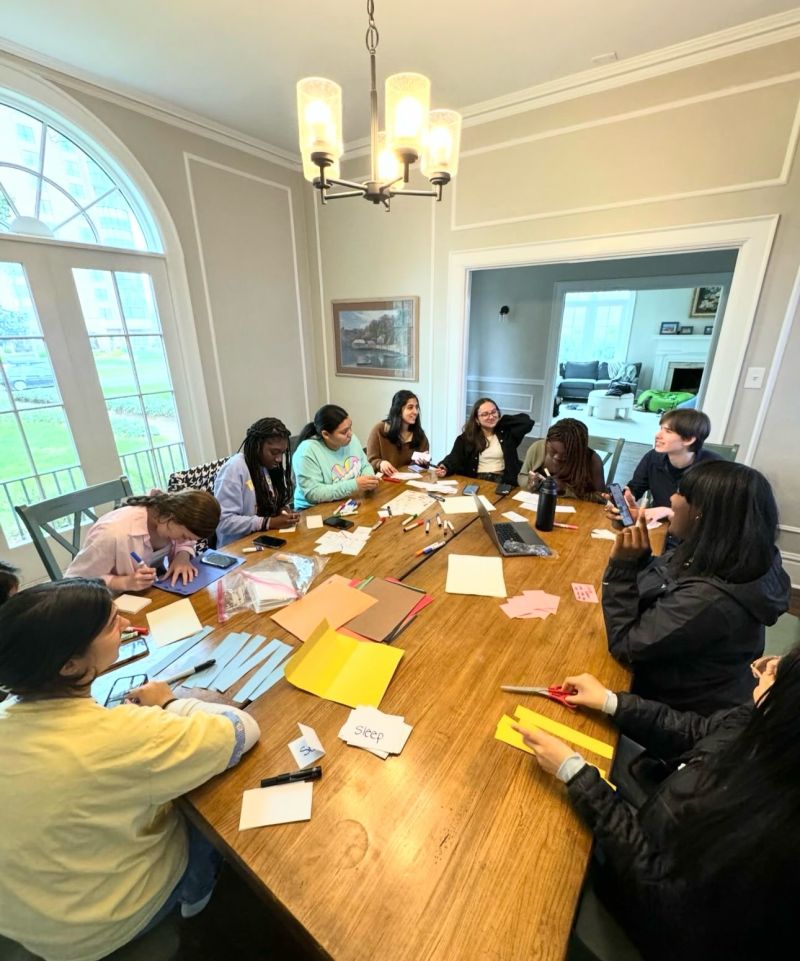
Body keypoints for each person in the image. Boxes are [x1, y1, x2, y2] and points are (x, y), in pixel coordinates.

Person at [0, 579, 260, 961]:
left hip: (30, 920)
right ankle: (195, 898)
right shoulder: (123, 736)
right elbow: (242, 729)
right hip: (103, 926)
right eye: (111, 624)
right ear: (70, 665)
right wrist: (168, 702)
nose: (125, 623)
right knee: (206, 806)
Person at [511, 648, 797, 961]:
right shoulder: (764, 720)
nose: (768, 667)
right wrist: (611, 702)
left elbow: (661, 896)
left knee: (531, 879)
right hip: (656, 823)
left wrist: (575, 774)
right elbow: (697, 731)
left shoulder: (768, 829)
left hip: (648, 917)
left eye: (778, 673)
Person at [602, 460, 790, 714]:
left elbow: (626, 645)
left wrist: (622, 570)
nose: (671, 498)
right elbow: (668, 583)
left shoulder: (708, 601)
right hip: (692, 683)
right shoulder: (728, 557)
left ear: (701, 513)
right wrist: (640, 559)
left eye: (681, 493)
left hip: (676, 709)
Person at [64, 490, 220, 590]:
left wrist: (182, 556)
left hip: (152, 591)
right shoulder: (112, 534)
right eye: (184, 536)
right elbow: (75, 583)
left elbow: (186, 542)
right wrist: (124, 582)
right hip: (113, 605)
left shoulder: (167, 512)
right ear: (172, 517)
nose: (185, 540)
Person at [609, 409, 719, 523]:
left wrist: (669, 512)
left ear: (688, 439)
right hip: (657, 525)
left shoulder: (714, 469)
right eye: (661, 429)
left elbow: (714, 517)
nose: (657, 435)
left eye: (668, 431)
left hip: (691, 531)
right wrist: (627, 499)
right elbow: (636, 487)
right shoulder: (653, 457)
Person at [214, 417, 299, 547]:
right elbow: (223, 522)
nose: (279, 459)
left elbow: (268, 502)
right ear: (257, 446)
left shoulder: (268, 466)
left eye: (282, 453)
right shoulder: (234, 469)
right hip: (236, 547)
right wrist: (268, 522)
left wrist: (281, 510)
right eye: (274, 452)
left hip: (264, 539)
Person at [293, 404, 379, 510]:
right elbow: (313, 493)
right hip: (313, 509)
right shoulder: (307, 452)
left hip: (347, 501)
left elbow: (364, 465)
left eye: (350, 427)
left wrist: (368, 478)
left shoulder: (351, 440)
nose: (350, 434)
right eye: (344, 432)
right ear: (326, 434)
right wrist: (355, 485)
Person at [436, 397, 533, 486]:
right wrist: (445, 467)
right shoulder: (466, 438)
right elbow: (454, 457)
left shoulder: (508, 433)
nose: (490, 417)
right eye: (485, 414)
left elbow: (527, 422)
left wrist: (501, 420)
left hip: (504, 480)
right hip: (477, 479)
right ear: (477, 419)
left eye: (493, 412)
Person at [519, 418, 605, 501]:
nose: (557, 457)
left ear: (578, 452)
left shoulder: (593, 461)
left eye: (566, 454)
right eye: (553, 450)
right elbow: (522, 477)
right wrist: (530, 482)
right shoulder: (537, 448)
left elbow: (602, 498)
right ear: (547, 442)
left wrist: (565, 488)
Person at [366, 390, 430, 476]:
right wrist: (380, 463)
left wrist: (420, 463)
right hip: (385, 481)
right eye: (410, 407)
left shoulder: (420, 435)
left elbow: (423, 470)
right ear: (398, 410)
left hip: (409, 481)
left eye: (416, 407)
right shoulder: (379, 430)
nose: (415, 412)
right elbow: (369, 462)